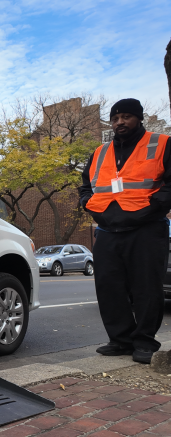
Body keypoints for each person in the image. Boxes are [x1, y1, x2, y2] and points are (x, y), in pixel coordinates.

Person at [79, 98, 171, 364]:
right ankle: (120, 340)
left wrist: (154, 206)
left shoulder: (162, 143)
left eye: (127, 117)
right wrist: (89, 204)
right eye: (116, 118)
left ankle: (144, 341)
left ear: (139, 119)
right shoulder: (99, 151)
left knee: (146, 288)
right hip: (107, 230)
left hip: (147, 228)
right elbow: (86, 185)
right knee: (109, 287)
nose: (120, 122)